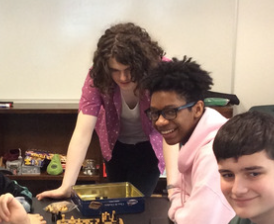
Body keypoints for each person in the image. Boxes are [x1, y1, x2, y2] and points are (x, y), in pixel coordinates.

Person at [36, 22, 179, 199]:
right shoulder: (98, 76)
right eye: (115, 71)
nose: (123, 77)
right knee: (116, 202)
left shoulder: (162, 71)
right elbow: (82, 132)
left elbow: (169, 128)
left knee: (136, 204)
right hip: (115, 147)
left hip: (149, 148)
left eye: (129, 70)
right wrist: (67, 185)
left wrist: (173, 186)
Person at [143, 57, 234, 224]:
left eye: (170, 112)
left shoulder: (212, 155)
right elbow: (179, 193)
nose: (160, 122)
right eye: (155, 113)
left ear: (198, 109)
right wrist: (184, 213)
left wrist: (179, 214)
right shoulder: (196, 140)